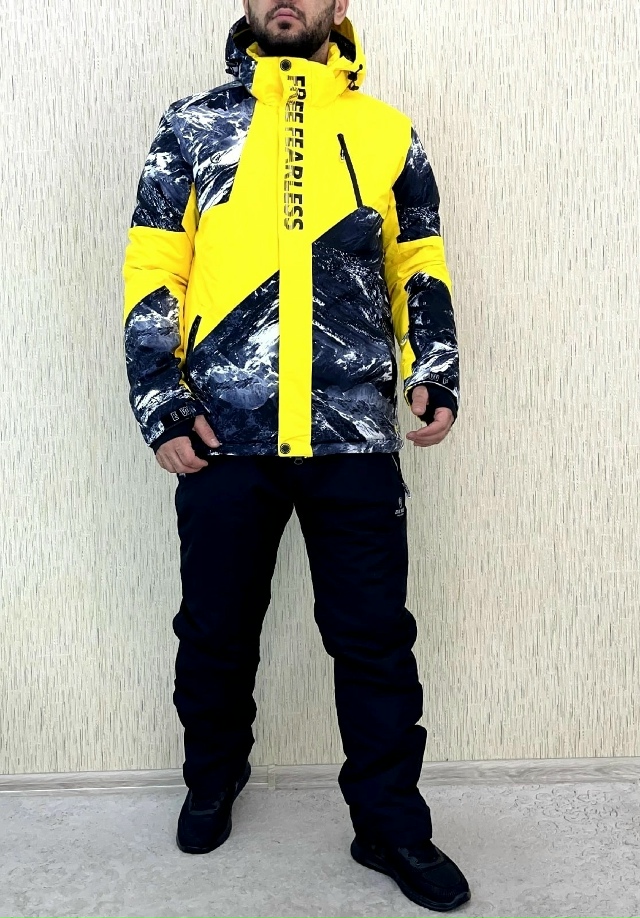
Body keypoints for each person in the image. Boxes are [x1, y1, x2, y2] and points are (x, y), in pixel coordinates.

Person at [122, 0, 469, 911]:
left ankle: (389, 823)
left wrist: (434, 365)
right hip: (224, 429)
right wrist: (160, 401)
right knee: (215, 628)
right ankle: (212, 776)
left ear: (339, 4)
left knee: (375, 639)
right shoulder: (191, 125)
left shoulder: (388, 132)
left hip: (351, 429)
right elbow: (155, 267)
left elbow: (417, 260)